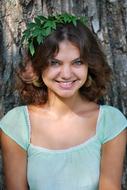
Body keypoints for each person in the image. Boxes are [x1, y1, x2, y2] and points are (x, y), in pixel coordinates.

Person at [0, 13, 127, 190]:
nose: (66, 74)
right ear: (38, 66)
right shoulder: (17, 124)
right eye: (54, 63)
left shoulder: (110, 122)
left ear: (89, 65)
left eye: (77, 62)